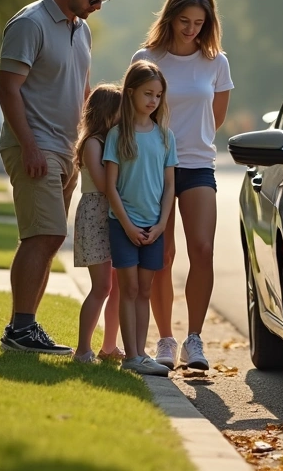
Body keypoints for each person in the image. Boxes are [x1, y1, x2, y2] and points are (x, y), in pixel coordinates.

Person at [0, 0, 115, 354]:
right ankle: (20, 329)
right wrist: (29, 146)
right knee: (43, 235)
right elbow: (7, 89)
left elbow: (80, 90)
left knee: (47, 238)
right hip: (34, 146)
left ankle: (25, 327)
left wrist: (86, 142)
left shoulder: (80, 29)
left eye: (103, 0)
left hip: (65, 148)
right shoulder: (30, 24)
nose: (97, 7)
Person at [131, 0, 232, 371]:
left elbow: (216, 118)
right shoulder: (148, 57)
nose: (191, 29)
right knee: (162, 254)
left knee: (202, 249)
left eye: (199, 23)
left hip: (197, 164)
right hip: (153, 167)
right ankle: (166, 341)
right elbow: (138, 109)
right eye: (185, 21)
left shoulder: (216, 62)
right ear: (170, 18)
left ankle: (194, 340)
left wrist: (193, 139)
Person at [103, 60, 178, 376]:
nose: (153, 101)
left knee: (145, 291)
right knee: (129, 289)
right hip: (123, 225)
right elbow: (110, 186)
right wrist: (129, 226)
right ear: (130, 92)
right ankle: (131, 355)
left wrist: (161, 224)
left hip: (154, 227)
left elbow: (170, 185)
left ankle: (140, 353)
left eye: (159, 95)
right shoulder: (118, 135)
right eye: (148, 93)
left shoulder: (165, 136)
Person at [71, 83, 125, 363]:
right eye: (118, 113)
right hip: (96, 214)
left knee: (115, 286)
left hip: (112, 214)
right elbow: (104, 184)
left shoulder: (111, 142)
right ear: (105, 113)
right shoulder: (92, 143)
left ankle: (109, 346)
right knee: (101, 286)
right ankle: (82, 349)